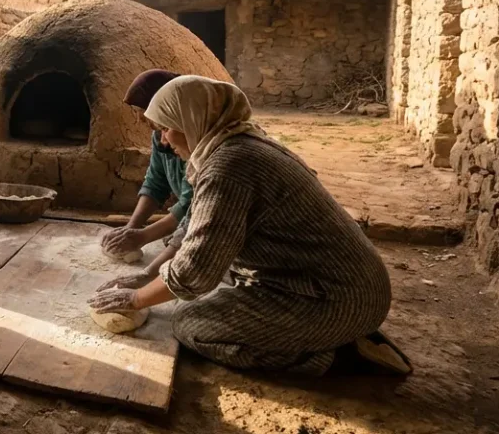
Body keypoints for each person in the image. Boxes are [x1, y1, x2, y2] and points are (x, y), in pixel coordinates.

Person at [89, 76, 409, 375]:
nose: (163, 140)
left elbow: (194, 273)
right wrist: (149, 275)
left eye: (166, 128)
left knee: (190, 323)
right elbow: (198, 233)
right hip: (338, 282)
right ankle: (329, 331)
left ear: (191, 121)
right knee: (201, 269)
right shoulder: (238, 143)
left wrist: (135, 299)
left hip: (338, 297)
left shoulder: (229, 167)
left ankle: (334, 354)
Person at [101, 70, 191, 284]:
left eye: (142, 110)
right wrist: (132, 227)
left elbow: (193, 207)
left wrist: (144, 238)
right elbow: (156, 182)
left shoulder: (197, 140)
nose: (139, 118)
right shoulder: (161, 136)